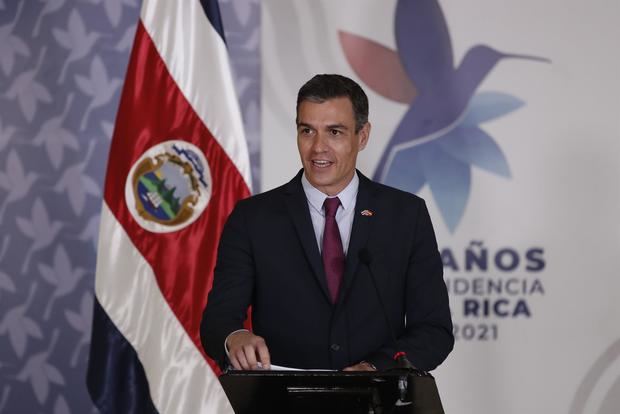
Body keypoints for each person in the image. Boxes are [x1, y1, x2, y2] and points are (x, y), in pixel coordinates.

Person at [201, 74, 453, 372]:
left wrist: (376, 368)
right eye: (308, 131)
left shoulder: (405, 215)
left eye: (334, 132)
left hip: (377, 401)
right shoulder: (252, 218)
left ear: (362, 136)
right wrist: (235, 336)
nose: (318, 147)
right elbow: (218, 320)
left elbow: (434, 331)